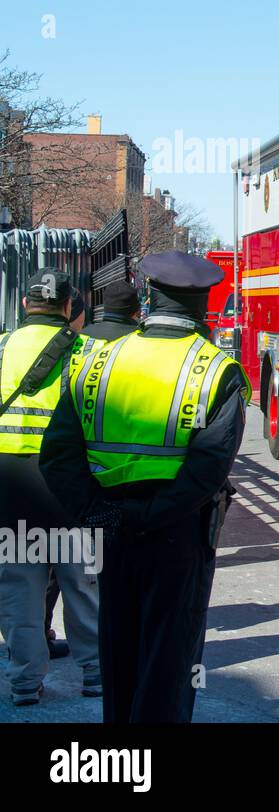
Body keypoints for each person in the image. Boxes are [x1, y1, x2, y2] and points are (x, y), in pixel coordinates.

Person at [40, 251, 251, 722]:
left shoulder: (96, 360)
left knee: (119, 652)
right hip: (178, 536)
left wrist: (100, 514)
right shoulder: (217, 370)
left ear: (150, 298)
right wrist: (150, 517)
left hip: (111, 530)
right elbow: (208, 470)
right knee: (170, 662)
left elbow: (57, 456)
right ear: (202, 307)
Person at [0, 270, 101, 707]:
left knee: (20, 586)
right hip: (69, 484)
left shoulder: (2, 346)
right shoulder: (87, 352)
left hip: (11, 486)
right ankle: (96, 673)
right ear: (67, 308)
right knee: (82, 583)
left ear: (25, 305)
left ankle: (24, 682)